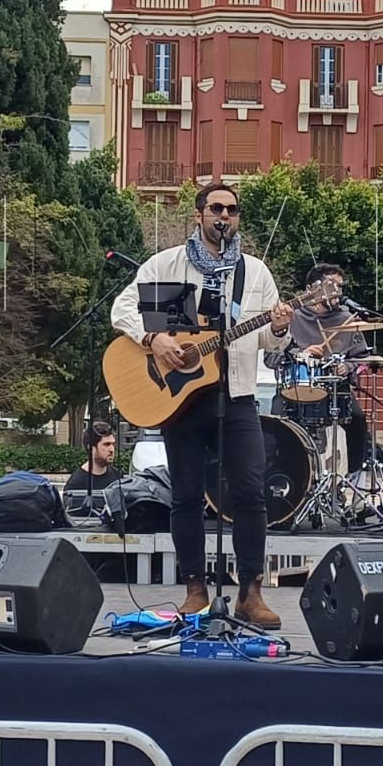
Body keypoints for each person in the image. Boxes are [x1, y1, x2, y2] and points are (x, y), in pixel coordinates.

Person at [111, 184, 292, 628]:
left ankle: (251, 592)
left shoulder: (254, 273)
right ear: (198, 215)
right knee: (187, 496)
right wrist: (154, 339)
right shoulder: (167, 265)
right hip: (180, 400)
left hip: (238, 395)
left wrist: (283, 328)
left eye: (232, 210)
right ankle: (195, 589)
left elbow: (268, 340)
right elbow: (123, 309)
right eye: (216, 208)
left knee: (251, 492)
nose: (224, 216)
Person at [272, 263, 372, 471]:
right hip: (294, 387)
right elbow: (269, 356)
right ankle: (283, 482)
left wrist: (347, 367)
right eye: (332, 285)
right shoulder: (292, 316)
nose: (337, 292)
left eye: (340, 286)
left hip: (337, 390)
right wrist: (301, 354)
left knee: (358, 421)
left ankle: (355, 479)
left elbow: (362, 359)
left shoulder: (347, 319)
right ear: (311, 290)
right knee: (275, 428)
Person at [65, 421, 120, 515]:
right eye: (106, 444)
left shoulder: (118, 476)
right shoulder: (76, 483)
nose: (111, 449)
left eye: (113, 444)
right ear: (91, 448)